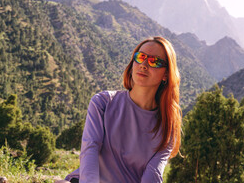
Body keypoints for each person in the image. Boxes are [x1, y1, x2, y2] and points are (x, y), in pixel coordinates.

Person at [56, 36, 182, 183]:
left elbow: (152, 175)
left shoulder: (168, 127)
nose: (144, 64)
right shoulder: (103, 102)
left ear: (166, 74)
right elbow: (90, 149)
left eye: (154, 61)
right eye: (140, 57)